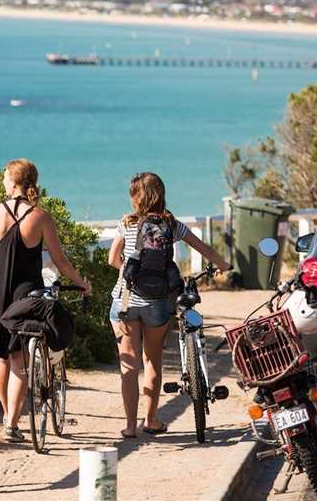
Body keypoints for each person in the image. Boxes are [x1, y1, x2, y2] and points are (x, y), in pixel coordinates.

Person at [108, 172, 231, 438]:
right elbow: (206, 250)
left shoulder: (126, 223)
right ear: (160, 194)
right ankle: (151, 420)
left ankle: (130, 426)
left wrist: (128, 272)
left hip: (126, 299)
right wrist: (223, 266)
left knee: (128, 366)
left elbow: (111, 259)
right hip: (157, 302)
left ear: (134, 197)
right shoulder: (172, 225)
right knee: (153, 361)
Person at [0, 158, 90, 442]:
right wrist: (80, 283)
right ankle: (12, 423)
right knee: (19, 359)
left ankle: (7, 415)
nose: (3, 181)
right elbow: (60, 261)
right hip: (25, 295)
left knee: (1, 358)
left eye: (5, 177)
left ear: (13, 181)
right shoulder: (40, 217)